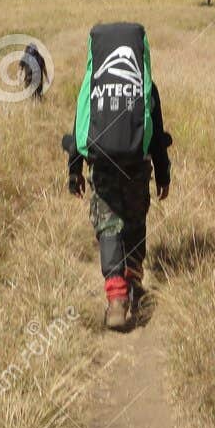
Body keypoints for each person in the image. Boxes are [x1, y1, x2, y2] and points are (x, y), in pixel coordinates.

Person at [62, 22, 172, 332]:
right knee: (135, 220)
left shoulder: (92, 86)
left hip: (103, 164)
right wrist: (163, 173)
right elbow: (158, 135)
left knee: (107, 222)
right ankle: (134, 284)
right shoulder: (145, 86)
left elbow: (80, 128)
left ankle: (116, 299)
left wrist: (75, 171)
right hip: (138, 164)